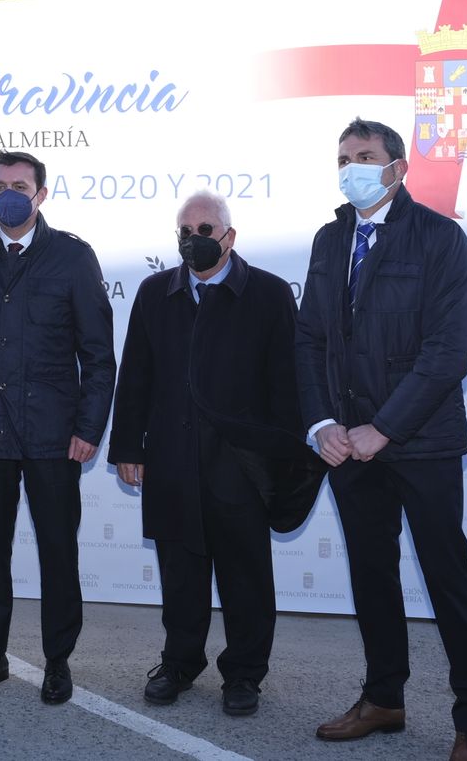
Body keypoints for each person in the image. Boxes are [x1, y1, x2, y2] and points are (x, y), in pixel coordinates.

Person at [296, 118, 467, 761]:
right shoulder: (330, 241)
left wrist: (384, 430)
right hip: (348, 445)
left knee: (447, 578)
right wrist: (323, 424)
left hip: (422, 443)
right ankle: (384, 698)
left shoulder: (441, 240)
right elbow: (310, 343)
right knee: (372, 576)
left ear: (398, 167)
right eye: (343, 156)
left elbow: (447, 353)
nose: (351, 166)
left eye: (365, 156)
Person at [110, 191, 323, 715]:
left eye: (205, 230)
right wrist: (126, 446)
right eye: (185, 231)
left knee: (246, 577)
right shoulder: (155, 292)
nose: (194, 240)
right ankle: (179, 663)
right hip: (172, 460)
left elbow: (285, 386)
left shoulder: (269, 294)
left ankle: (245, 675)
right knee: (180, 574)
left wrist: (280, 460)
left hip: (241, 465)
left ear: (229, 236)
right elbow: (135, 373)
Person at [0, 150, 116, 704]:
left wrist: (89, 427)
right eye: (0, 184)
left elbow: (99, 354)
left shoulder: (73, 258)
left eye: (20, 184)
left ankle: (57, 662)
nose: (9, 192)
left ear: (41, 194)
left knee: (58, 551)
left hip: (54, 436)